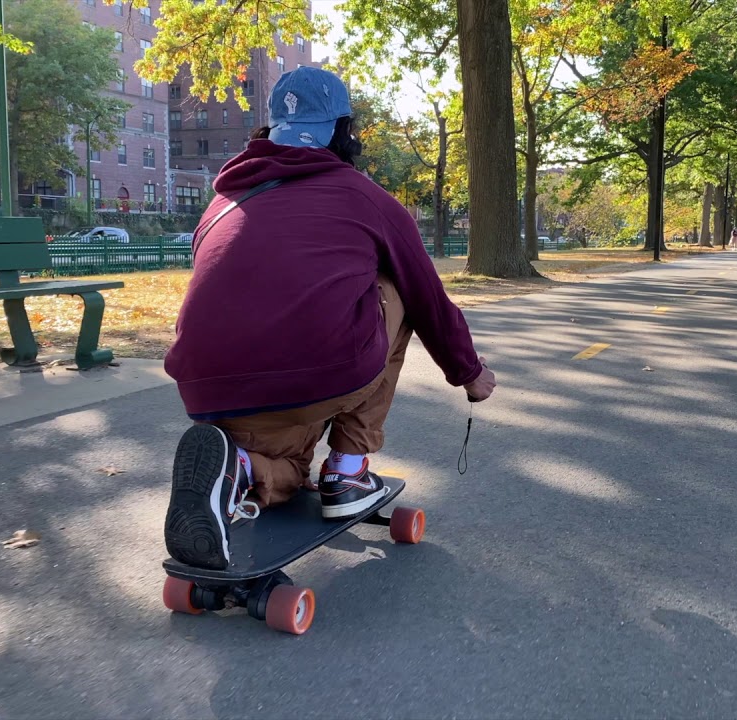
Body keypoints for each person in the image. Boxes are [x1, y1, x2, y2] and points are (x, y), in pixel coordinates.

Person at [162, 67, 497, 570]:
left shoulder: (221, 204)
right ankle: (348, 470)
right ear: (344, 132)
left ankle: (239, 468)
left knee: (291, 474)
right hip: (321, 375)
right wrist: (469, 374)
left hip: (212, 393)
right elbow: (429, 297)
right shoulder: (363, 197)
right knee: (395, 286)